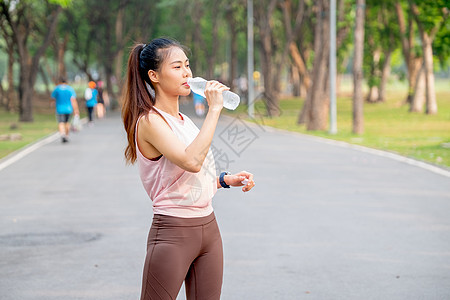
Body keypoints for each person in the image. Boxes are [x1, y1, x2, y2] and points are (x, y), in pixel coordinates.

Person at [121, 38, 255, 300]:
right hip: (173, 232)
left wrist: (226, 179)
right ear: (154, 75)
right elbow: (190, 161)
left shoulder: (185, 121)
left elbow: (186, 175)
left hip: (209, 230)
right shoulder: (150, 121)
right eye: (177, 67)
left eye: (188, 65)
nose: (187, 73)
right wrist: (214, 108)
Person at [51, 77, 79, 143]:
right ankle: (66, 136)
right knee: (67, 123)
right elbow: (73, 100)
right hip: (69, 109)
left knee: (61, 122)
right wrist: (76, 109)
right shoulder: (70, 89)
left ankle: (62, 135)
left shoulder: (57, 89)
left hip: (59, 109)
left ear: (60, 82)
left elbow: (53, 98)